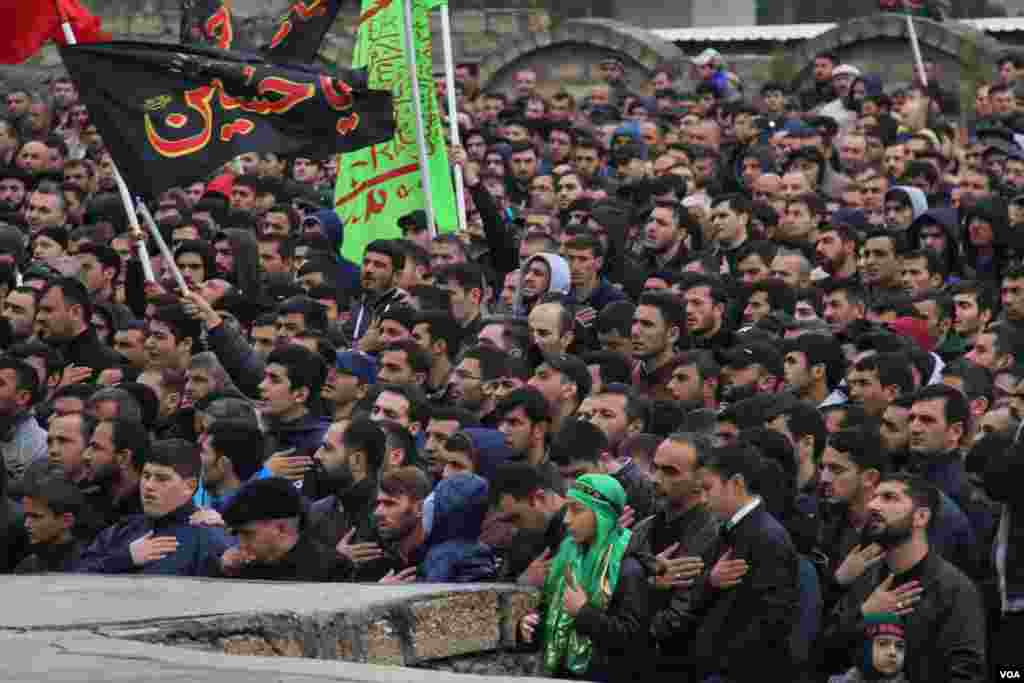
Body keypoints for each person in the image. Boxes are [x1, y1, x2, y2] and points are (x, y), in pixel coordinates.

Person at [822, 475, 987, 682]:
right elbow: (825, 658)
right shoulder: (864, 577)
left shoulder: (954, 590)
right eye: (874, 497)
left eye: (889, 497)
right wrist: (863, 615)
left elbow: (967, 675)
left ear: (921, 517)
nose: (873, 505)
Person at [517, 474, 651, 681]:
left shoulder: (628, 568)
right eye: (567, 509)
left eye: (577, 510)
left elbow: (632, 639)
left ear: (602, 515)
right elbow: (554, 618)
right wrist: (528, 627)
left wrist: (583, 612)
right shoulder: (568, 558)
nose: (566, 519)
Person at [75, 439, 230, 576]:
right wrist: (125, 558)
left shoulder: (208, 538)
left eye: (161, 478)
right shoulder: (121, 530)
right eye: (146, 476)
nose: (149, 486)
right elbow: (74, 577)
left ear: (189, 486)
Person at [217, 477, 345, 581]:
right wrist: (226, 575)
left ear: (281, 529)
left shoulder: (334, 570)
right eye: (237, 534)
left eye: (248, 534)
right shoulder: (243, 570)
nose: (241, 544)